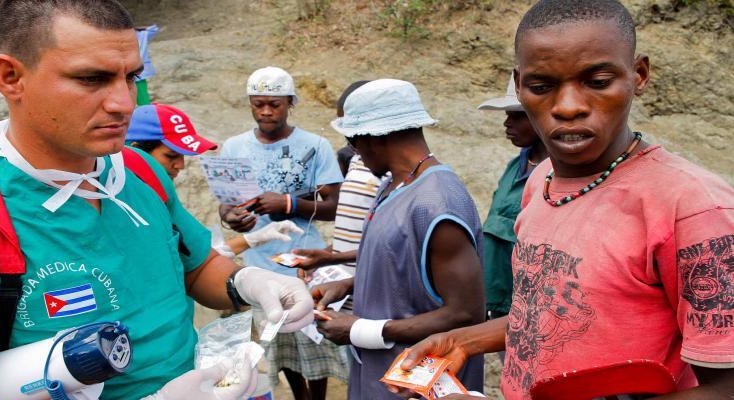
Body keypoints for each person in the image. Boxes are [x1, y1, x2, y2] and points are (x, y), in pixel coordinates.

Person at [0, 2, 314, 399]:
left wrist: (249, 282)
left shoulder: (138, 170)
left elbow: (194, 265)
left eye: (131, 76)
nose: (124, 103)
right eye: (91, 78)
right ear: (11, 77)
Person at [393, 1, 734, 399]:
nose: (568, 107)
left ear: (638, 75)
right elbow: (554, 316)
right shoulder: (541, 181)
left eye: (598, 81)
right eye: (541, 87)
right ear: (519, 86)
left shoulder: (694, 208)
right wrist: (462, 341)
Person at [312, 78, 487, 399]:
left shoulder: (438, 203)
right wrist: (350, 284)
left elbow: (466, 313)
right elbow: (404, 268)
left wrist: (361, 330)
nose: (355, 154)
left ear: (373, 138)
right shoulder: (394, 184)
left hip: (417, 382)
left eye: (353, 142)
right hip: (379, 371)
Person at [218, 67, 346, 400]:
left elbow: (333, 206)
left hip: (305, 261)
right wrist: (233, 218)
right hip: (259, 266)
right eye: (258, 104)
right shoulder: (234, 148)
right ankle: (300, 395)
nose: (265, 112)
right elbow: (227, 204)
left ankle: (316, 396)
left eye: (274, 104)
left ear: (290, 103)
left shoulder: (315, 146)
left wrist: (287, 202)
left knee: (313, 339)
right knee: (279, 341)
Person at [126, 103, 305, 257]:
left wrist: (252, 239)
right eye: (171, 156)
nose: (180, 165)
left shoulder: (164, 198)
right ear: (136, 152)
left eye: (182, 156)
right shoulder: (121, 204)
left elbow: (196, 255)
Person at [477, 74, 547, 341]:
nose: (507, 123)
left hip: (531, 312)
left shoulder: (556, 177)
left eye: (517, 116)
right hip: (499, 304)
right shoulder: (515, 166)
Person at [293, 80, 382, 277]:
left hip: (369, 284)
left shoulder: (388, 170)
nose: (347, 136)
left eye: (350, 127)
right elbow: (353, 230)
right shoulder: (356, 159)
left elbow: (389, 245)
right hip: (343, 286)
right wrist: (325, 255)